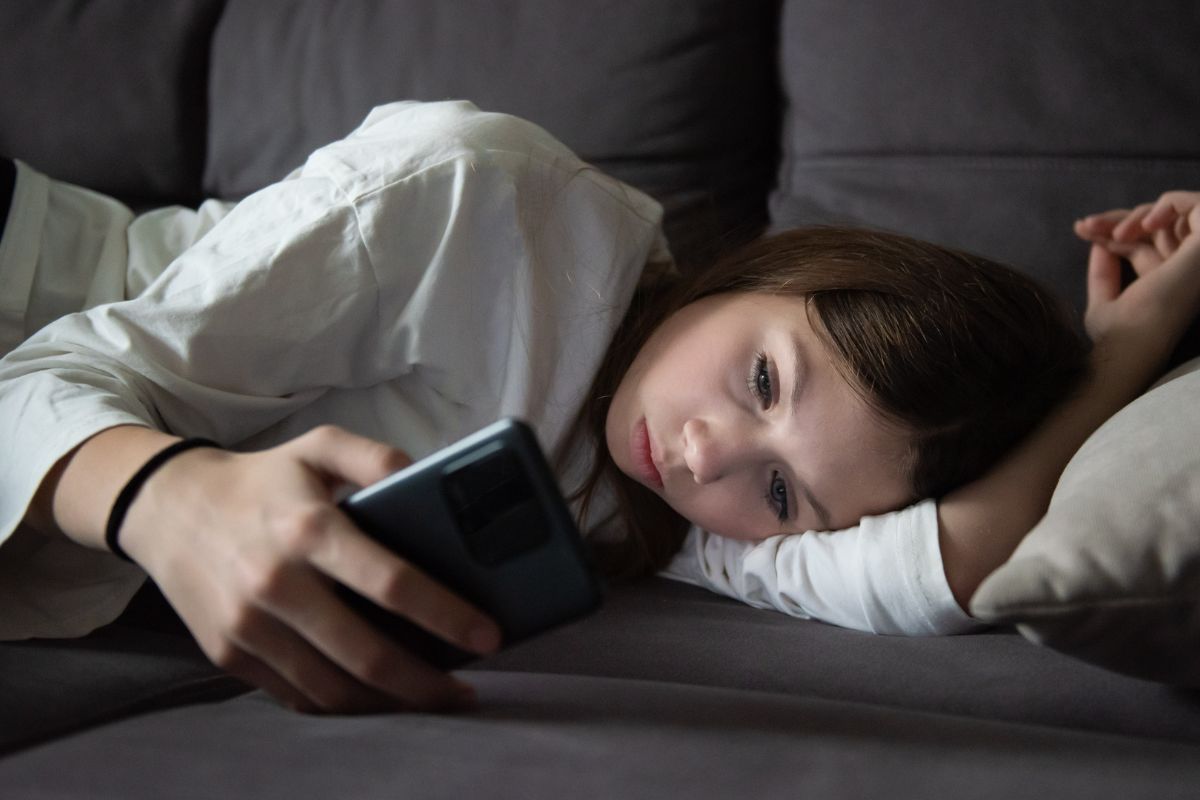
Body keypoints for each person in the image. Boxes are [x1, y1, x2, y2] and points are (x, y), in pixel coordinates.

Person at [0, 100, 1196, 714]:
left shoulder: (683, 524)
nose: (705, 454)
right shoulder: (477, 199)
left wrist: (1123, 345)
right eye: (766, 378)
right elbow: (40, 379)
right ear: (778, 269)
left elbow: (953, 566)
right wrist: (170, 494)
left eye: (783, 489)